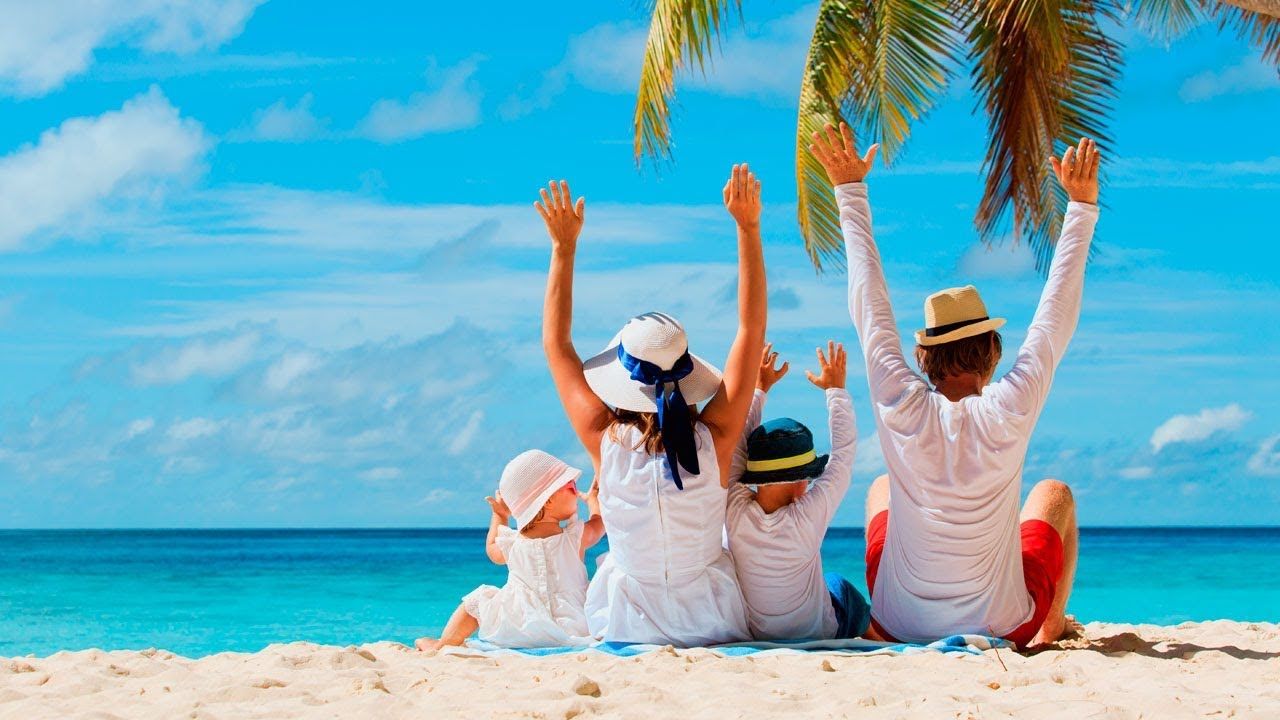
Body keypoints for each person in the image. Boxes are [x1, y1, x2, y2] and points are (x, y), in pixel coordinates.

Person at [809, 124, 1099, 648]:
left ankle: (908, 614)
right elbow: (1055, 318)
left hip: (899, 625)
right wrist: (1080, 208)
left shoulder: (900, 402)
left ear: (923, 358)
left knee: (880, 488)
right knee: (1054, 494)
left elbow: (868, 304)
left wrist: (849, 189)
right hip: (1005, 626)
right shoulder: (1010, 405)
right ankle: (1051, 623)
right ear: (992, 353)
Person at [536, 166, 766, 646]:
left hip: (625, 620)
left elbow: (557, 346)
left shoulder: (604, 439)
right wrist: (748, 228)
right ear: (684, 372)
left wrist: (564, 249)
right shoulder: (715, 438)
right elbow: (750, 330)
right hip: (710, 619)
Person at [725, 342, 869, 641]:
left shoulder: (734, 509)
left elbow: (736, 447)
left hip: (758, 634)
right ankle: (876, 634)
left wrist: (759, 390)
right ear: (803, 480)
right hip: (819, 632)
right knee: (839, 586)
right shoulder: (806, 518)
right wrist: (836, 390)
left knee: (832, 584)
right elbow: (843, 458)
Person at [413, 449, 605, 651]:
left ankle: (443, 644)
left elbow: (492, 550)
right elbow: (600, 523)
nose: (576, 491)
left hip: (520, 626)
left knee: (477, 601)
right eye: (571, 486)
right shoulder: (575, 537)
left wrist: (500, 517)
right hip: (574, 625)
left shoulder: (513, 543)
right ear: (547, 500)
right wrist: (593, 500)